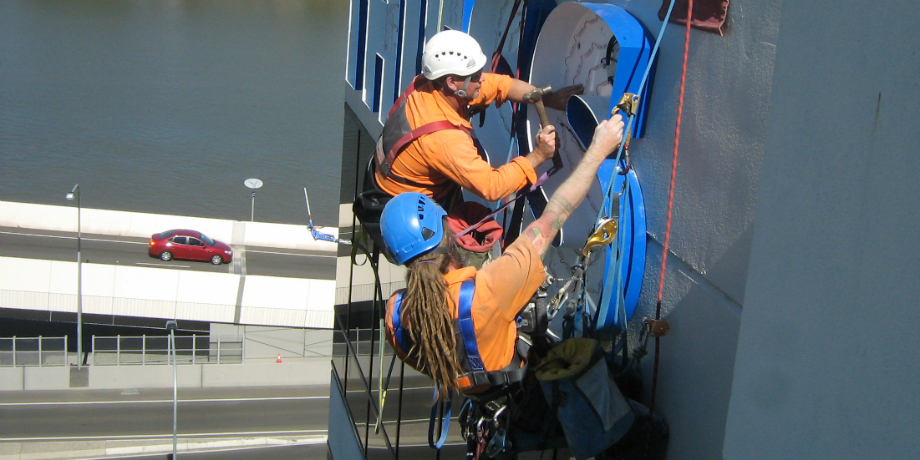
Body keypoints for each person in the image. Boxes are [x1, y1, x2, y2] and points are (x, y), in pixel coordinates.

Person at [372, 29, 584, 210]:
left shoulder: (430, 86)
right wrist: (539, 155)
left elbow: (501, 85)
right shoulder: (445, 140)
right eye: (475, 76)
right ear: (452, 82)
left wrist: (549, 99)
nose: (482, 78)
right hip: (407, 207)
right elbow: (492, 187)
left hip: (390, 179)